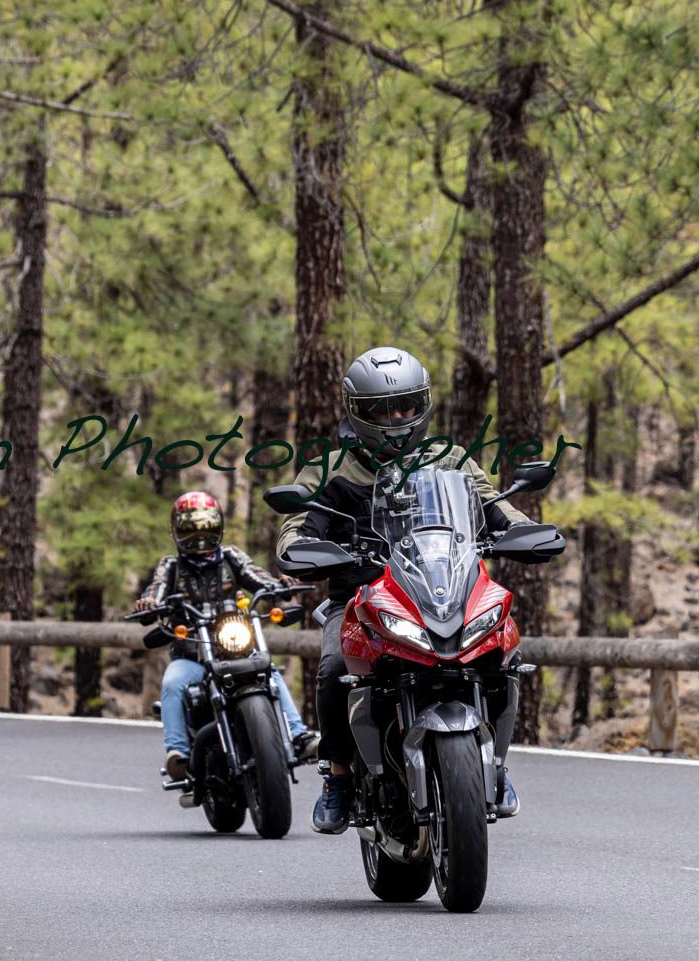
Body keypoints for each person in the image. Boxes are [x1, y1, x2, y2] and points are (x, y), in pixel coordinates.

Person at [277, 346, 533, 834]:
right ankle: (338, 775)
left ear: (424, 404)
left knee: (504, 651)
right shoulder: (332, 469)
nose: (395, 419)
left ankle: (496, 765)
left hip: (444, 588)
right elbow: (298, 524)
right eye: (381, 410)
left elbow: (492, 504)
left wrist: (522, 529)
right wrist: (301, 548)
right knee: (334, 668)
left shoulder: (451, 460)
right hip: (363, 599)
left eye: (406, 407)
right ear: (357, 411)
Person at [136, 490, 318, 782]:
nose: (200, 537)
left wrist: (277, 585)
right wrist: (149, 604)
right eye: (190, 530)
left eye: (207, 528)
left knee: (270, 672)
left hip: (236, 648)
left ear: (219, 527)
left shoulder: (231, 557)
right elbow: (156, 590)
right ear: (175, 531)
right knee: (172, 683)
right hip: (192, 653)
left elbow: (254, 574)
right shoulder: (171, 566)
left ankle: (298, 736)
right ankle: (177, 753)